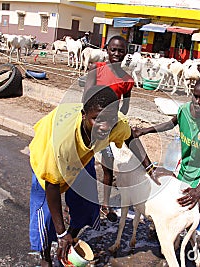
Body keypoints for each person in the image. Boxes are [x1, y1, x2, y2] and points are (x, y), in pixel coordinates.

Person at [29, 85, 168, 267]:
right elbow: (52, 186)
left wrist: (150, 167)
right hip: (47, 156)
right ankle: (46, 256)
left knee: (86, 204)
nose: (104, 127)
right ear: (84, 115)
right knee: (46, 215)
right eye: (97, 120)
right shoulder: (61, 144)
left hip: (80, 158)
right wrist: (61, 232)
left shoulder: (115, 124)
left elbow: (130, 137)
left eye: (110, 120)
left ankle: (71, 242)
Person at [133, 78, 200, 254]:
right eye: (195, 96)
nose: (197, 102)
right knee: (177, 199)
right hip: (185, 163)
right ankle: (172, 236)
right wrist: (145, 131)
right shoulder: (184, 110)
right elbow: (171, 123)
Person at [83, 35, 134, 220]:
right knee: (82, 163)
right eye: (113, 50)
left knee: (108, 165)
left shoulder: (127, 80)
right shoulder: (96, 69)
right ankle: (74, 205)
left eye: (121, 50)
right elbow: (86, 97)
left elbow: (126, 106)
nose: (117, 54)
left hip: (108, 127)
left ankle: (105, 204)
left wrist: (118, 118)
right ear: (107, 50)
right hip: (89, 126)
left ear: (126, 53)